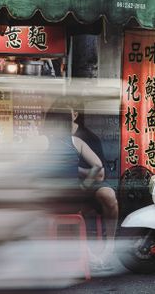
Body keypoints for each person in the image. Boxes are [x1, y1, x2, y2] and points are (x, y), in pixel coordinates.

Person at [72, 106, 119, 265]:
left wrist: (74, 168)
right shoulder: (53, 137)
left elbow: (99, 173)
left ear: (75, 115)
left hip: (91, 183)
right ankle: (86, 253)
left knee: (108, 195)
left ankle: (110, 246)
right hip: (68, 187)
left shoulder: (86, 138)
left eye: (65, 114)